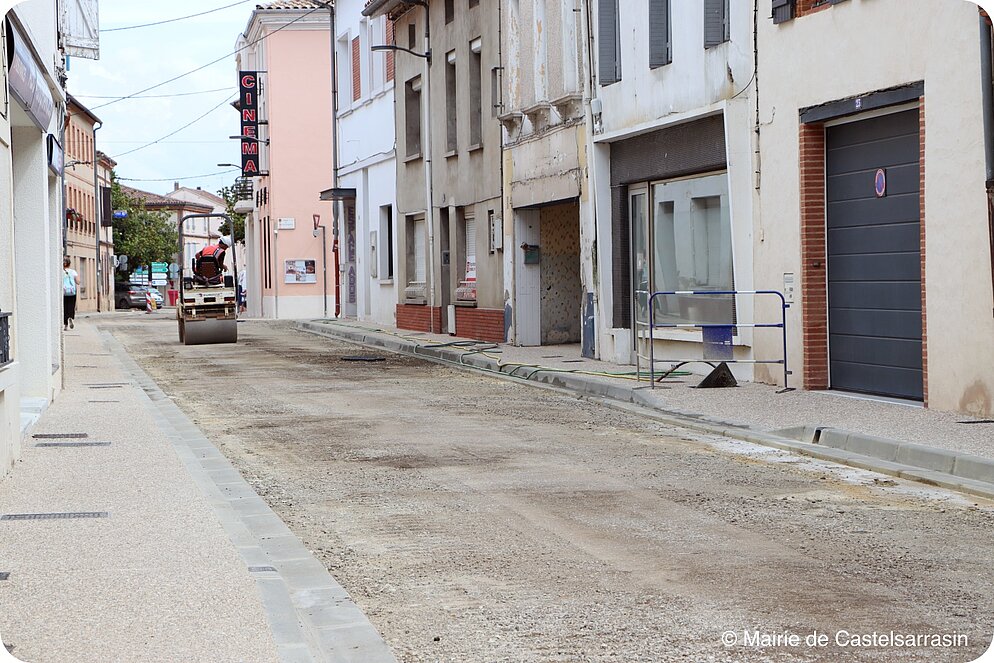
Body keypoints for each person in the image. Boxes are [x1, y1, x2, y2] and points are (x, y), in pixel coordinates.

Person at [62, 256, 80, 330]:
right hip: (72, 292)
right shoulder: (73, 272)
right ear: (69, 263)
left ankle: (65, 324)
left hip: (63, 292)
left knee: (64, 308)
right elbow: (78, 282)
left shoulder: (60, 271)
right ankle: (70, 318)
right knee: (71, 307)